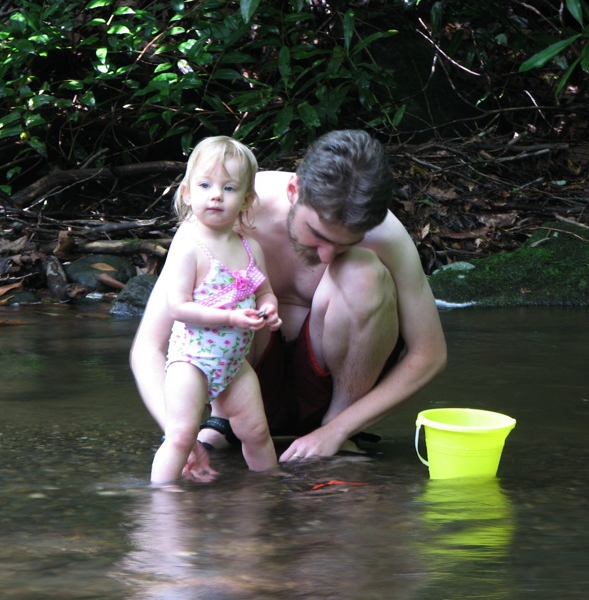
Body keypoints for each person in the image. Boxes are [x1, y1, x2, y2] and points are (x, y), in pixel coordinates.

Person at [131, 129, 446, 470]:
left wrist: (339, 429)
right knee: (231, 296)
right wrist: (179, 433)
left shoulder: (387, 235)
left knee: (362, 271)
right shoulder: (230, 207)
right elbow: (149, 346)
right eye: (319, 236)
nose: (327, 257)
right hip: (243, 385)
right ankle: (223, 423)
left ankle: (337, 430)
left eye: (344, 244)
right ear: (294, 190)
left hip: (333, 387)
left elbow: (429, 354)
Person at [145, 135, 282, 484]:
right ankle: (161, 505)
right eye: (206, 185)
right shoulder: (188, 244)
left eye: (229, 188)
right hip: (191, 360)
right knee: (180, 437)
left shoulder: (250, 247)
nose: (216, 195)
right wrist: (230, 318)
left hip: (233, 364)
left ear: (246, 200)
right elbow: (178, 306)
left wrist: (269, 310)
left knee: (256, 433)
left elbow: (264, 290)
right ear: (188, 193)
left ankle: (270, 489)